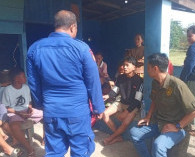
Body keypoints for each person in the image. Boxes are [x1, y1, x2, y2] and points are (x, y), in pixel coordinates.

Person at [26, 10, 105, 157]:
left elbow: (34, 84)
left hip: (52, 111)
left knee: (54, 153)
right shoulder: (82, 49)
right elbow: (92, 81)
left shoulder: (35, 49)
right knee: (81, 152)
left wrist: (41, 105)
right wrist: (98, 107)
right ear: (73, 27)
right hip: (77, 113)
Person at [129, 53, 195, 157]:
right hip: (158, 122)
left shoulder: (177, 85)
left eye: (148, 67)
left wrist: (177, 126)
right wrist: (148, 117)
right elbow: (154, 100)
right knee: (134, 133)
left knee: (158, 145)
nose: (146, 70)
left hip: (177, 126)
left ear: (155, 68)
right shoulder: (155, 82)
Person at [1, 68, 43, 157]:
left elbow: (29, 102)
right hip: (15, 112)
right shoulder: (7, 90)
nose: (26, 78)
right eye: (23, 76)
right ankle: (30, 149)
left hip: (26, 111)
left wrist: (30, 108)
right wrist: (19, 114)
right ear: (16, 79)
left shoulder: (26, 87)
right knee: (14, 126)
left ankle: (45, 139)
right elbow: (7, 107)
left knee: (46, 115)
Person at [102, 56, 143, 145]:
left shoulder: (139, 81)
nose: (124, 67)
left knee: (126, 122)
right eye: (124, 65)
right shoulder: (121, 78)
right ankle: (118, 135)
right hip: (121, 102)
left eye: (127, 65)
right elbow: (115, 90)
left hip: (133, 105)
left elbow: (137, 100)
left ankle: (111, 137)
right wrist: (108, 96)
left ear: (134, 67)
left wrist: (127, 111)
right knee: (105, 114)